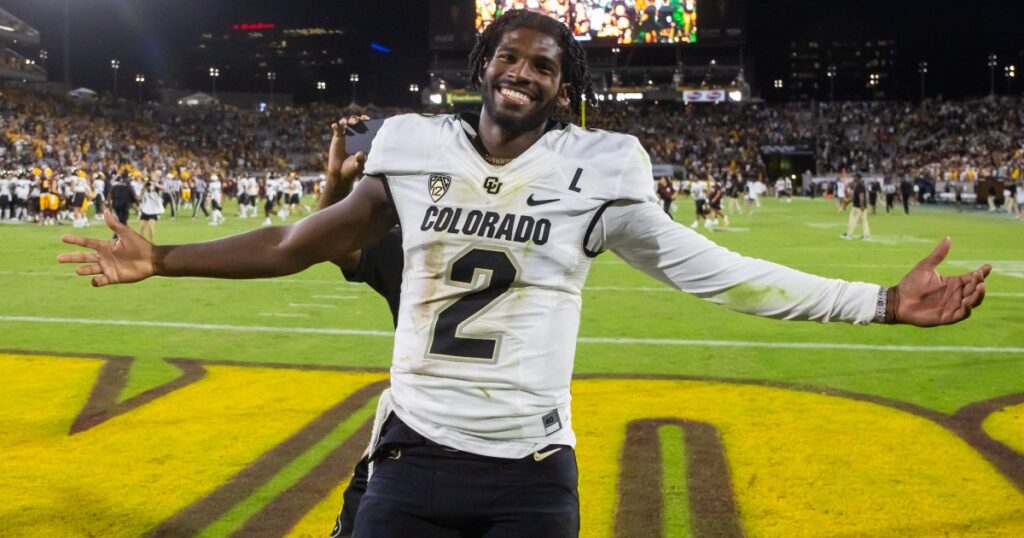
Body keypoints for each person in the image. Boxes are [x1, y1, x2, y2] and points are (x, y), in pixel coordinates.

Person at [59, 10, 991, 538]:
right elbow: (306, 239)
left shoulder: (604, 164)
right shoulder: (414, 145)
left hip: (532, 471)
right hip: (412, 458)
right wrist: (167, 257)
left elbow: (719, 273)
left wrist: (879, 303)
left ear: (564, 85)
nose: (521, 71)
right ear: (481, 65)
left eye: (543, 64)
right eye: (507, 55)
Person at [841, 174, 870, 240]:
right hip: (862, 207)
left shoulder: (859, 186)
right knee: (864, 221)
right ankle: (866, 235)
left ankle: (849, 235)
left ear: (857, 177)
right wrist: (847, 201)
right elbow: (854, 196)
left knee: (852, 220)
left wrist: (861, 205)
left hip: (858, 207)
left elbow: (861, 196)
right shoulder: (859, 185)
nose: (853, 178)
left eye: (854, 177)